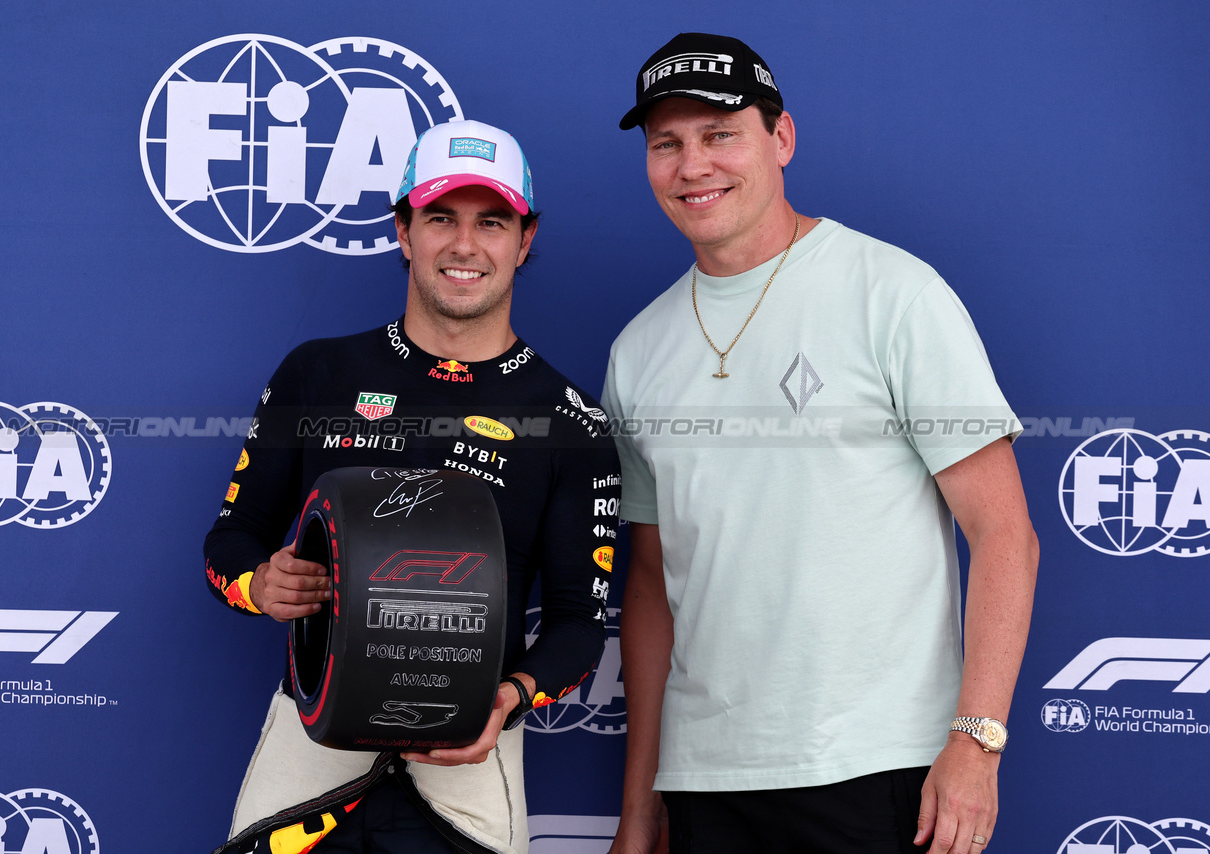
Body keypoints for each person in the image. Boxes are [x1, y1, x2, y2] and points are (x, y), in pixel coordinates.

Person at [602, 33, 1038, 854]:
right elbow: (655, 583)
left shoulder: (893, 293)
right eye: (668, 144)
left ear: (782, 138)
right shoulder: (638, 351)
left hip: (881, 768)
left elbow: (1004, 533)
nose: (693, 164)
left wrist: (976, 744)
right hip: (706, 782)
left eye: (720, 133)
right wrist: (642, 806)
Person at [203, 119, 620, 854]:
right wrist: (257, 584)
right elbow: (230, 540)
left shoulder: (570, 421)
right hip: (312, 744)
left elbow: (579, 624)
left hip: (471, 749)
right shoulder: (318, 374)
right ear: (403, 231)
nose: (465, 245)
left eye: (491, 222)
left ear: (524, 241)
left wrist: (506, 701)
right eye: (440, 219)